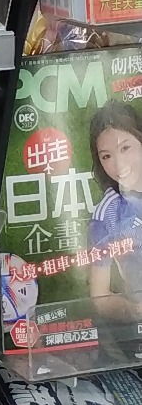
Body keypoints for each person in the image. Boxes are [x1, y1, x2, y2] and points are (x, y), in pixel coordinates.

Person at [88, 98, 142, 310]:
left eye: (125, 148)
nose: (119, 165)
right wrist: (135, 312)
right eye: (106, 156)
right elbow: (100, 296)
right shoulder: (107, 214)